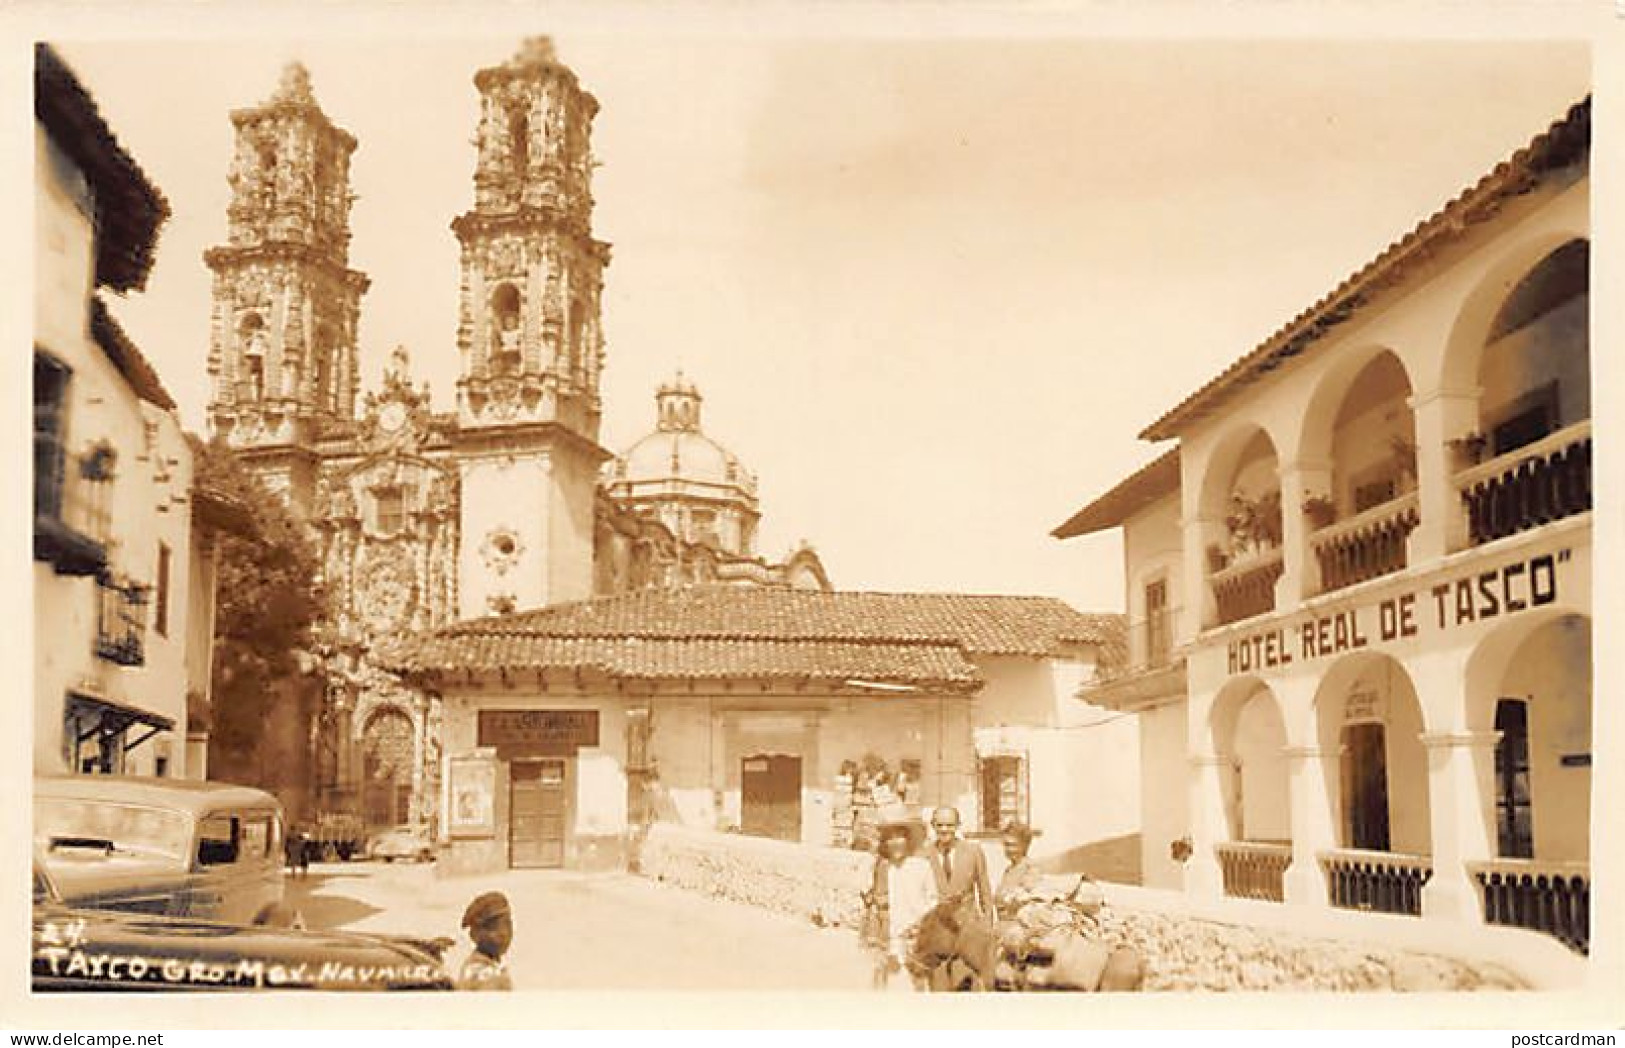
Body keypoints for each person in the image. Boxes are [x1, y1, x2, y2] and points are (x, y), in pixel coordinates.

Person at [866, 819, 937, 992]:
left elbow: (933, 901)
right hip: (889, 935)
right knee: (888, 985)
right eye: (890, 838)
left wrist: (919, 926)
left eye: (900, 837)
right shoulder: (881, 869)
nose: (895, 843)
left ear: (908, 840)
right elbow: (873, 902)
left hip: (916, 936)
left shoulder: (921, 866)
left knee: (917, 985)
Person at [927, 806, 994, 925]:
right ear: (933, 825)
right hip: (937, 925)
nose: (944, 829)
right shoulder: (924, 855)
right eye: (939, 825)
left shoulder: (973, 851)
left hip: (967, 923)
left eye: (949, 825)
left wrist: (987, 923)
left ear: (958, 825)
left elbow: (985, 892)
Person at [456, 891, 514, 991]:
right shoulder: (483, 974)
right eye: (493, 928)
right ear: (475, 934)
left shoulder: (489, 967)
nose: (504, 934)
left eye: (507, 925)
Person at [993, 820, 1046, 919]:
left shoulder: (1030, 868)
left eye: (1012, 845)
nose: (1008, 849)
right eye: (1005, 845)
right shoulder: (1009, 870)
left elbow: (1029, 900)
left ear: (1024, 845)